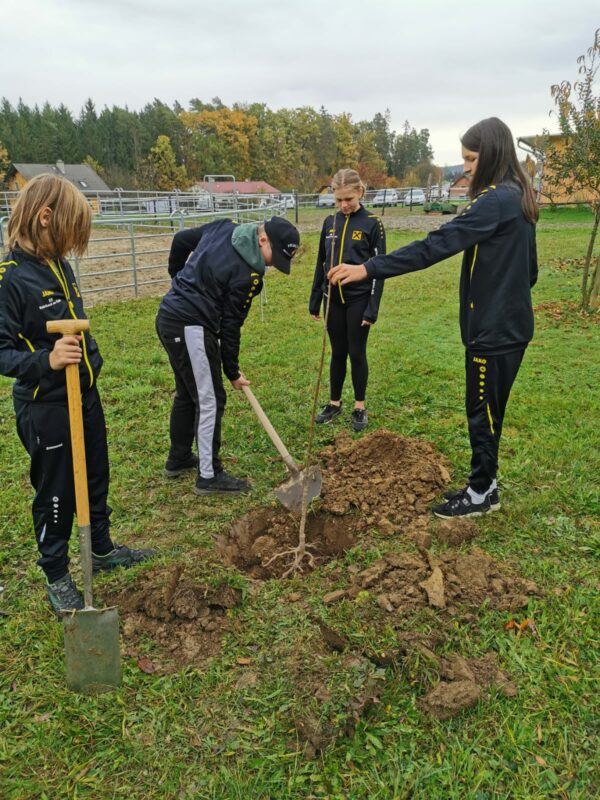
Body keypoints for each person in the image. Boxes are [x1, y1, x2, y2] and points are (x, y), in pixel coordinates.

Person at [329, 118, 538, 518]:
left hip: (493, 331)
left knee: (481, 412)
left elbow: (436, 245)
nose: (467, 169)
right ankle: (486, 484)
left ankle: (481, 492)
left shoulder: (494, 200)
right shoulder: (520, 196)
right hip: (512, 325)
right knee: (490, 410)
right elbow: (531, 272)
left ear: (491, 154)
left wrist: (368, 268)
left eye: (472, 159)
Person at [0, 174, 155, 614]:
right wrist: (45, 362)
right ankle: (57, 573)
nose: (73, 245)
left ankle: (101, 549)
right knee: (57, 490)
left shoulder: (58, 264)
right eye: (70, 233)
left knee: (95, 475)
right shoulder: (10, 279)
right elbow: (1, 351)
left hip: (83, 394)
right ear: (46, 218)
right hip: (46, 407)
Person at [156, 215, 300, 495]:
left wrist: (177, 282)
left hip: (171, 317)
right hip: (191, 326)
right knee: (210, 399)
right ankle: (209, 476)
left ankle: (179, 458)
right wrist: (231, 371)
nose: (272, 264)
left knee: (189, 392)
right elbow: (231, 328)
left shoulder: (223, 227)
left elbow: (181, 239)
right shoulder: (248, 276)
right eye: (274, 256)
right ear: (262, 239)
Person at [309, 169, 385, 432]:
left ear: (360, 192)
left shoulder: (373, 224)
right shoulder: (329, 222)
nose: (343, 205)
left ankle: (360, 406)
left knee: (356, 352)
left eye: (349, 199)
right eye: (338, 199)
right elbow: (321, 262)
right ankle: (334, 403)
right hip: (333, 301)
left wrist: (372, 308)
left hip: (359, 301)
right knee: (337, 353)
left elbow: (379, 270)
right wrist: (315, 298)